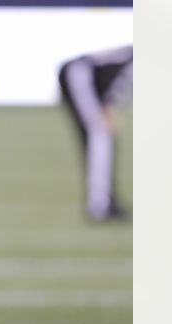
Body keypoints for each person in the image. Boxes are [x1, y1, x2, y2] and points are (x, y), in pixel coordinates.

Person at [57, 45, 133, 221]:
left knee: (101, 135)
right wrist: (109, 107)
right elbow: (120, 80)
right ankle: (99, 205)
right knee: (100, 134)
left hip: (85, 77)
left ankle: (104, 200)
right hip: (79, 75)